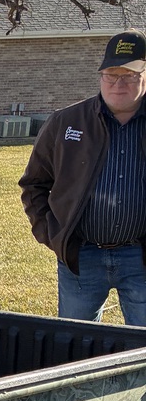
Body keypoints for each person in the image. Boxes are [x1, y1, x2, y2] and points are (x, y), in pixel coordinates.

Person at [19, 31, 146, 327]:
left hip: (141, 259)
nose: (118, 84)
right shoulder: (66, 122)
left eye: (128, 76)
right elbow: (34, 184)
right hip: (81, 257)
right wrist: (53, 236)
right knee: (77, 344)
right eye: (110, 75)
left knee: (142, 352)